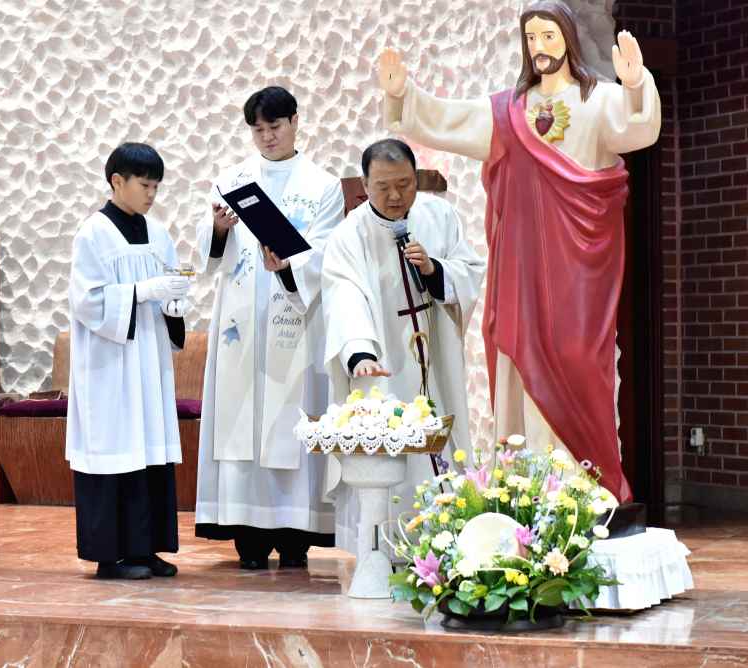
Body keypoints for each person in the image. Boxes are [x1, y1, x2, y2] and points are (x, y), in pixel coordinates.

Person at [377, 0, 661, 502]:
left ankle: (582, 488)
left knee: (578, 357)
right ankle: (528, 488)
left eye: (549, 35)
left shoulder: (597, 101)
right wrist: (405, 96)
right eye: (531, 38)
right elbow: (451, 119)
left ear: (568, 38)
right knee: (519, 357)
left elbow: (637, 127)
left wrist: (636, 83)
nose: (539, 47)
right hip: (523, 264)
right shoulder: (509, 110)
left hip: (579, 264)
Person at [194, 86, 344, 569]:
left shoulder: (322, 186)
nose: (267, 137)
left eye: (275, 127)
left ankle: (295, 536)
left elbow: (324, 252)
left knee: (290, 421)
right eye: (257, 130)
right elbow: (209, 253)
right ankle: (248, 536)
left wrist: (288, 266)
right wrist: (219, 229)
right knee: (242, 420)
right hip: (241, 331)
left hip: (293, 322)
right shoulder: (232, 180)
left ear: (295, 121)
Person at [322, 138, 484, 551]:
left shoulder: (440, 215)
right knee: (395, 456)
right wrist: (360, 352)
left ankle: (448, 543)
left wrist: (434, 270)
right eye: (383, 187)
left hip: (434, 356)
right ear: (365, 185)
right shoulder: (350, 235)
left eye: (404, 184)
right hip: (385, 363)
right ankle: (390, 549)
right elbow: (344, 294)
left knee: (442, 445)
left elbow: (469, 270)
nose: (395, 196)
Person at [66, 142, 191, 580]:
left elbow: (170, 287)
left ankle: (145, 548)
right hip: (110, 364)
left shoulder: (159, 234)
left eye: (157, 186)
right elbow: (87, 302)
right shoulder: (93, 234)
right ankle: (110, 556)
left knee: (149, 449)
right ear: (117, 181)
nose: (152, 194)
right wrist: (142, 291)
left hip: (149, 360)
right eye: (144, 185)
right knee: (116, 449)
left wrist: (174, 303)